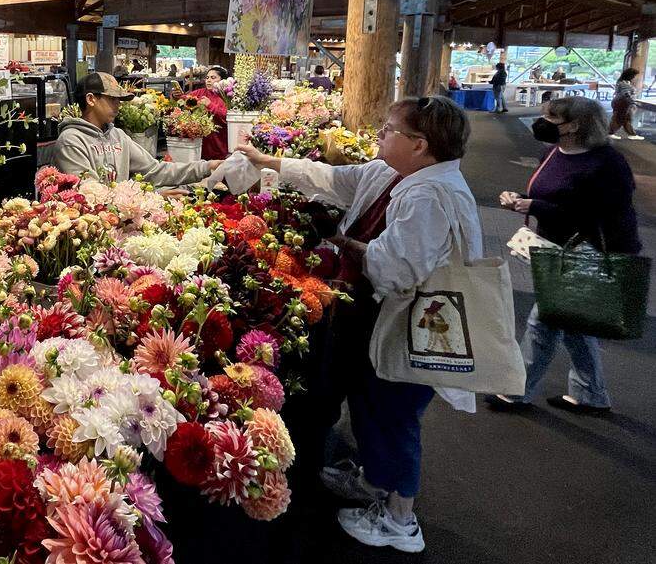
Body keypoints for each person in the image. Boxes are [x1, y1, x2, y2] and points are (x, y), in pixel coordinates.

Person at [237, 96, 480, 554]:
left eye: (389, 130)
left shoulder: (430, 195)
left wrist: (340, 241)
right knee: (370, 402)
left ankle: (400, 519)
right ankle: (375, 479)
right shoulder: (398, 174)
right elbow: (337, 178)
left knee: (393, 412)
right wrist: (268, 160)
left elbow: (396, 270)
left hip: (410, 324)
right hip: (375, 316)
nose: (379, 136)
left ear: (420, 144)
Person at [491, 96, 640, 414]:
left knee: (542, 323)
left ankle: (516, 391)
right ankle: (592, 395)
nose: (541, 121)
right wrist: (520, 198)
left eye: (550, 118)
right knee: (573, 324)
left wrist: (537, 206)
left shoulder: (608, 163)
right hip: (553, 248)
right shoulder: (552, 153)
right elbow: (547, 195)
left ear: (574, 125)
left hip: (590, 252)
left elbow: (603, 214)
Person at [56, 72, 222, 188]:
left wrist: (207, 168)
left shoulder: (118, 136)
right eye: (113, 99)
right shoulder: (71, 140)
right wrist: (146, 197)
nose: (118, 105)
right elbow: (89, 194)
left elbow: (154, 170)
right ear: (91, 99)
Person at [172, 65, 230, 160]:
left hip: (219, 145)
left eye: (213, 77)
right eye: (207, 78)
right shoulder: (200, 92)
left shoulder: (227, 97)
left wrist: (210, 105)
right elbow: (185, 99)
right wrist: (176, 96)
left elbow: (226, 117)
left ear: (222, 80)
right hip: (200, 146)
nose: (208, 80)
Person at [609, 67, 643, 140]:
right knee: (619, 119)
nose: (634, 77)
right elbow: (626, 95)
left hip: (622, 103)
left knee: (626, 119)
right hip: (622, 103)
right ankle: (610, 133)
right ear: (629, 75)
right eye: (634, 76)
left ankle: (632, 134)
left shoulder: (623, 82)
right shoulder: (624, 83)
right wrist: (634, 103)